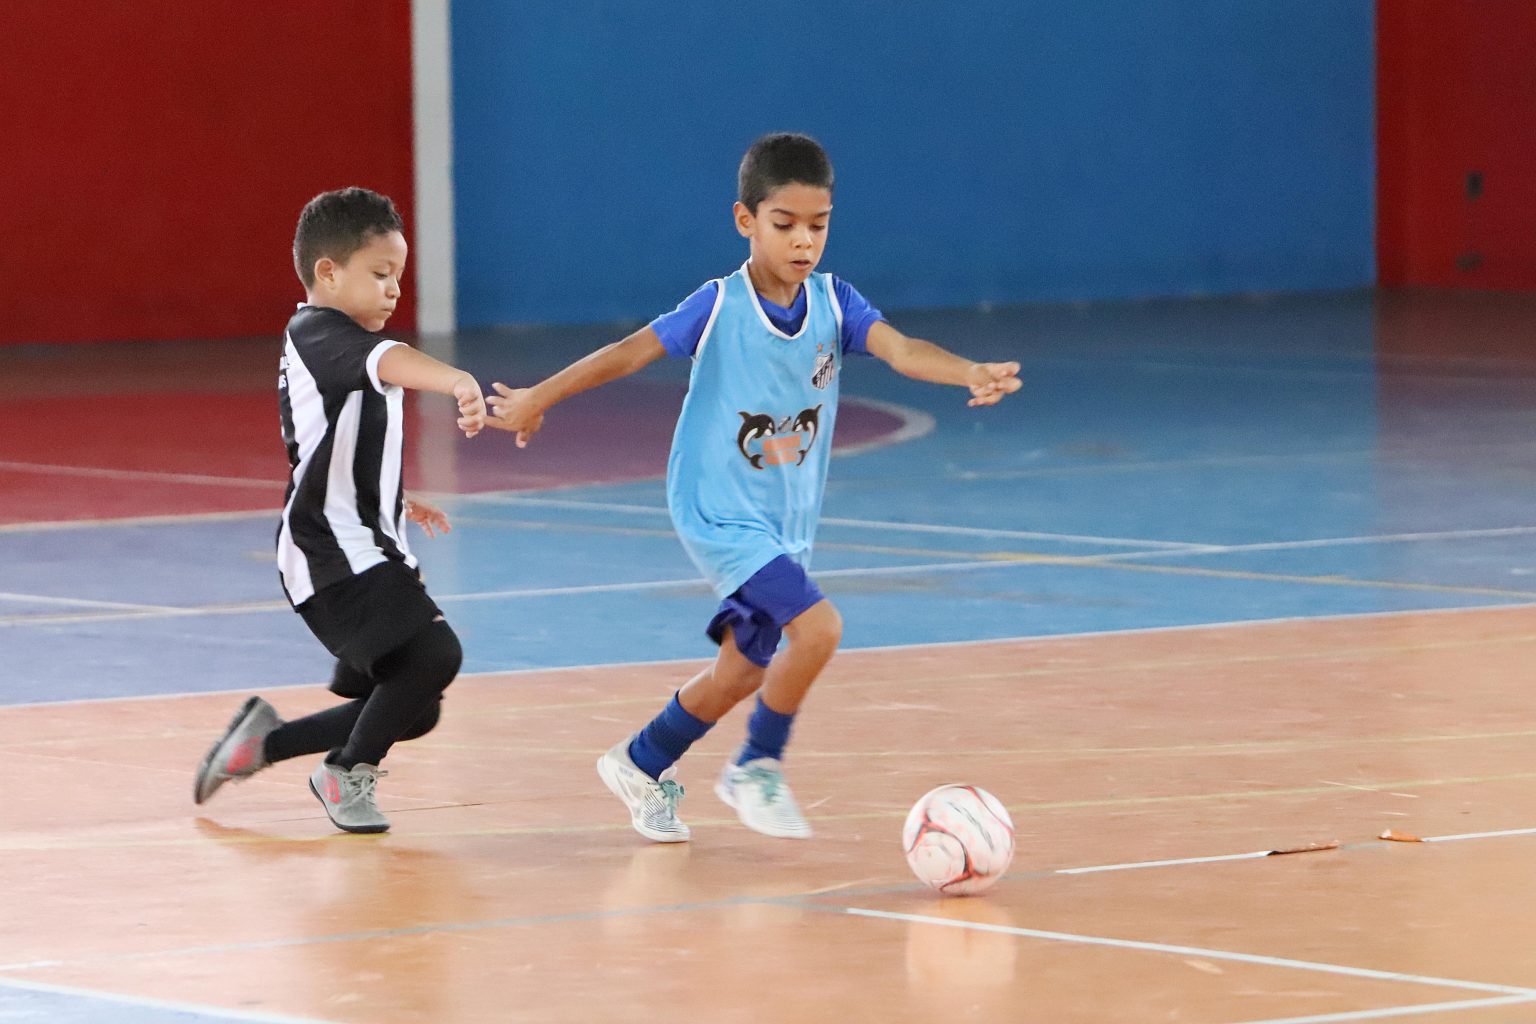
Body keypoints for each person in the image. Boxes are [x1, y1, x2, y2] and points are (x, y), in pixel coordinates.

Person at [484, 134, 1020, 842]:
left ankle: (640, 763)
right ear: (746, 221)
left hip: (782, 521)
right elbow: (626, 353)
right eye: (785, 224)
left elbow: (902, 350)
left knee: (740, 673)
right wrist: (537, 398)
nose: (804, 242)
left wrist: (967, 371)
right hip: (718, 510)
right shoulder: (719, 306)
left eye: (818, 225)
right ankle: (757, 766)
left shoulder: (836, 302)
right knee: (819, 628)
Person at [193, 187, 486, 834]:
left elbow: (335, 440)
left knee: (416, 704)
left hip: (365, 537)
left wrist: (395, 499)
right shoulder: (318, 332)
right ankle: (343, 774)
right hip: (327, 547)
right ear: (328, 272)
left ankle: (261, 745)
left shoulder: (338, 344)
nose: (393, 292)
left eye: (398, 278)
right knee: (435, 656)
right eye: (380, 275)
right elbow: (392, 363)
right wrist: (458, 380)